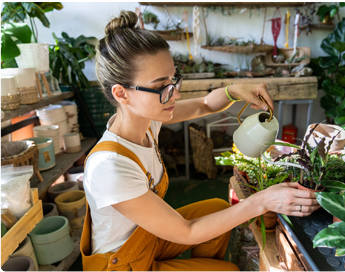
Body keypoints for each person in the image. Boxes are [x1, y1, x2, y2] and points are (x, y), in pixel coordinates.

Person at [81, 10, 320, 272]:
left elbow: (204, 105)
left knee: (217, 209)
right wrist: (261, 201)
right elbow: (187, 231)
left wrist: (234, 89)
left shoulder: (147, 122)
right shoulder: (109, 166)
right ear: (121, 93)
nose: (174, 93)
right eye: (162, 86)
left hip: (145, 239)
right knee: (229, 270)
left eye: (174, 80)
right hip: (122, 264)